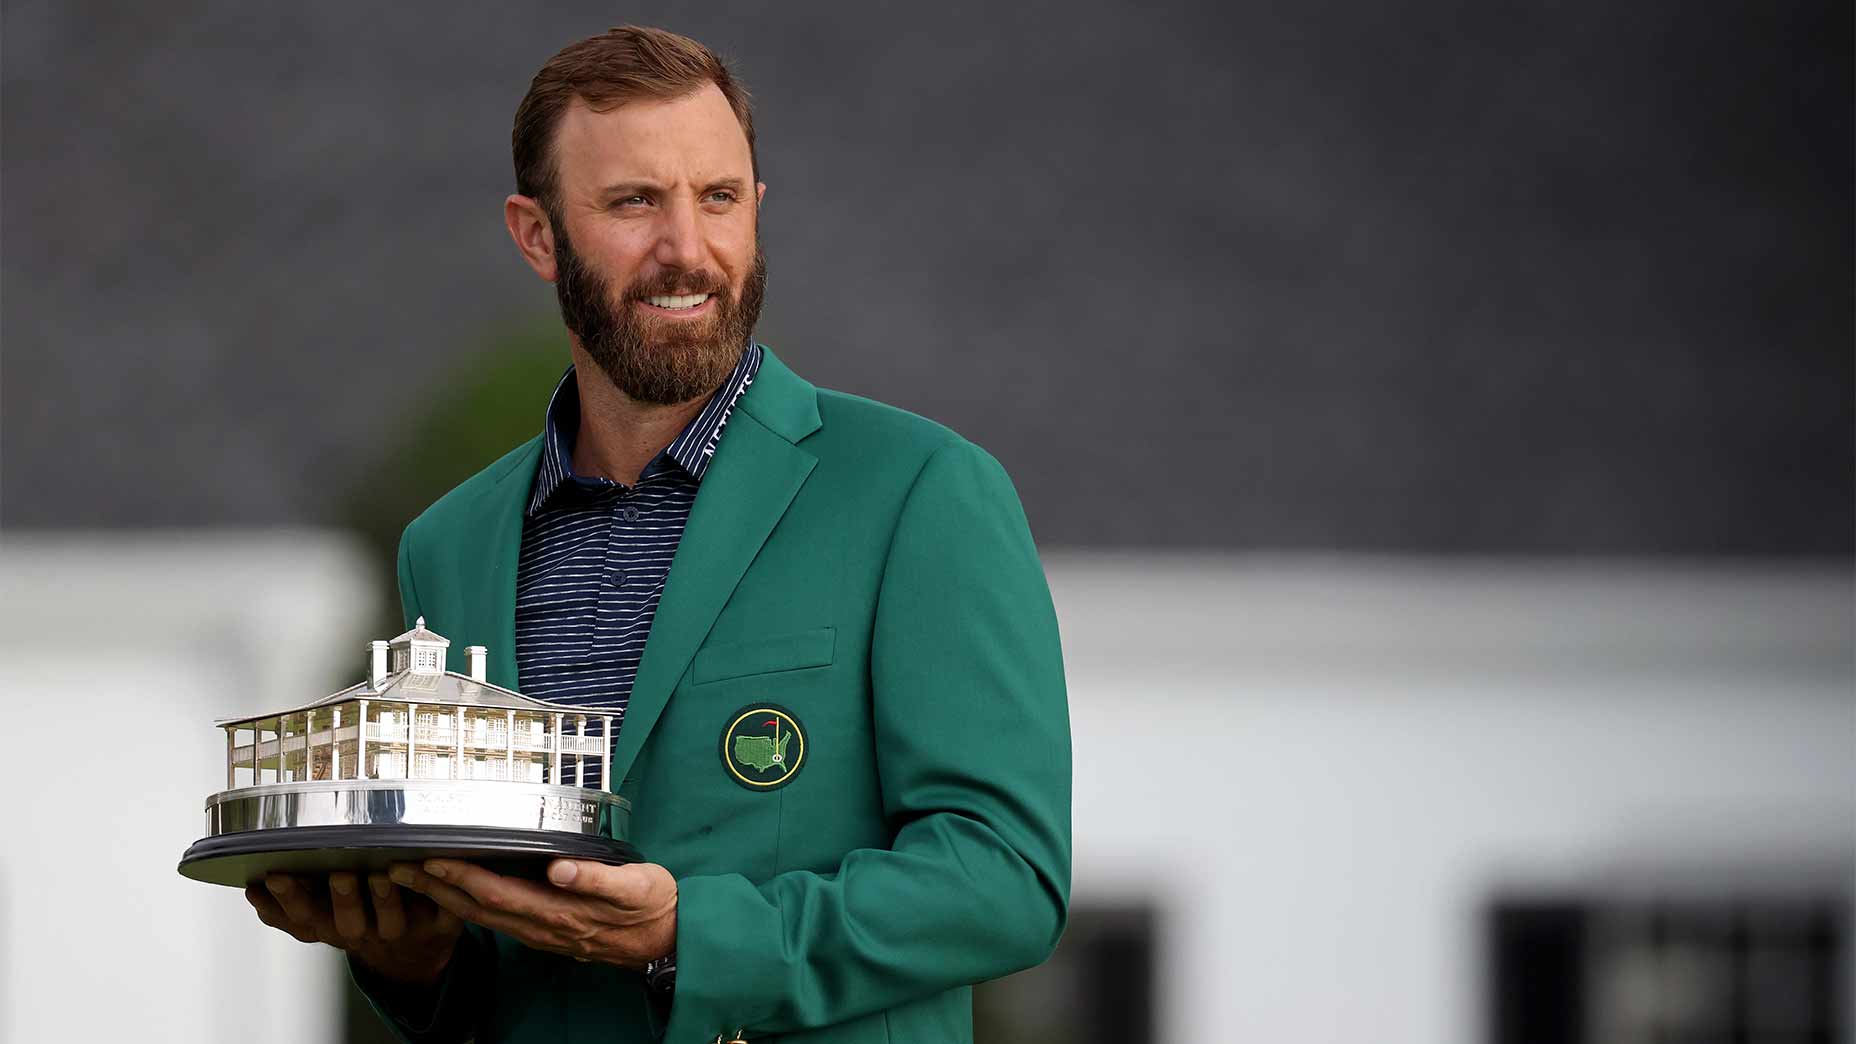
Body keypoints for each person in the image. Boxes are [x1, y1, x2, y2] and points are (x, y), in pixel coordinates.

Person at [242, 25, 1070, 1044]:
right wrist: (415, 963)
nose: (687, 248)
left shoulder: (920, 492)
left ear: (754, 209)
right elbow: (487, 968)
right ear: (536, 234)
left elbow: (1005, 879)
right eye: (635, 202)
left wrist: (692, 933)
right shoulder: (447, 546)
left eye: (717, 198)